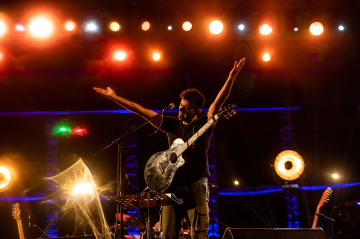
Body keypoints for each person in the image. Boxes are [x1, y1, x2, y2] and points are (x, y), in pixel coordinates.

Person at [94, 57, 245, 239]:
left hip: (196, 186)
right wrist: (114, 97)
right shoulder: (171, 124)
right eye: (180, 106)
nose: (180, 111)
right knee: (167, 235)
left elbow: (218, 103)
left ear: (197, 111)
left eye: (186, 109)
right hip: (171, 187)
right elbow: (140, 110)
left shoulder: (204, 123)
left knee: (199, 234)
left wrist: (232, 76)